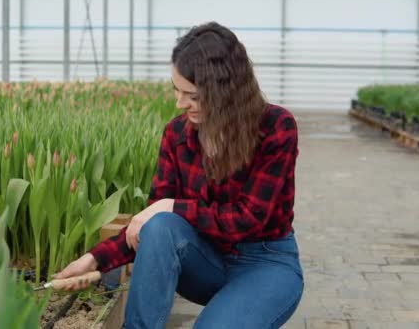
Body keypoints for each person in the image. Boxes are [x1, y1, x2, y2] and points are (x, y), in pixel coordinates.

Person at [54, 21, 304, 329]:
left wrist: (171, 206)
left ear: (228, 92)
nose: (180, 103)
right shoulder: (177, 134)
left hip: (265, 263)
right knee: (159, 224)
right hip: (205, 260)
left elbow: (248, 218)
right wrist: (94, 259)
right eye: (177, 90)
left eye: (194, 96)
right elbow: (153, 226)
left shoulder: (276, 127)